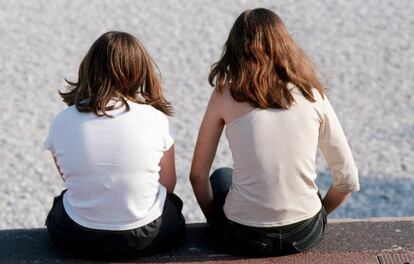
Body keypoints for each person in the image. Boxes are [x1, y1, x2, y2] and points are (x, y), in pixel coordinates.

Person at [190, 8, 359, 256]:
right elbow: (347, 179)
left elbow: (197, 176)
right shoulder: (312, 94)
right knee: (304, 188)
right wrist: (317, 212)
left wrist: (216, 223)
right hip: (304, 234)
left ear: (235, 48)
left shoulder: (225, 94)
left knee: (222, 176)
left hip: (244, 235)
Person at [44, 31, 185, 259]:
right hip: (145, 235)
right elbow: (167, 185)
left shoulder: (61, 121)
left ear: (89, 68)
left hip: (78, 235)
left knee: (61, 203)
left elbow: (71, 177)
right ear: (139, 70)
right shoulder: (156, 119)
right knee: (173, 204)